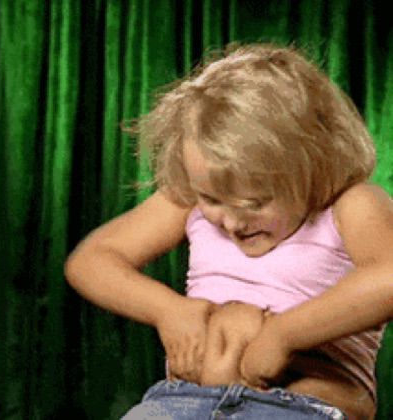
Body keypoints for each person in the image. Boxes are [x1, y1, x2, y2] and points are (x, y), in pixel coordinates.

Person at [64, 42, 393, 419]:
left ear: (312, 165)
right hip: (181, 400)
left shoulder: (351, 205)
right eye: (212, 199)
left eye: (255, 203)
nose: (232, 223)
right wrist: (167, 310)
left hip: (301, 406)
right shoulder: (190, 198)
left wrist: (285, 335)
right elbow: (91, 261)